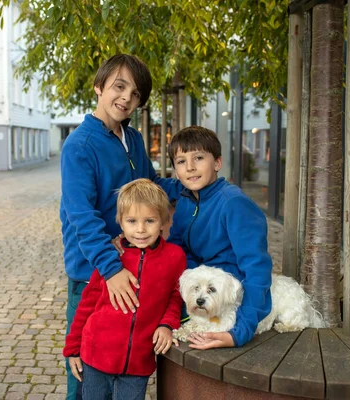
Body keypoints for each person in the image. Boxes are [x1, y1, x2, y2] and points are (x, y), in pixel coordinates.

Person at [59, 54, 182, 399]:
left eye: (136, 93)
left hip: (131, 269)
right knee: (84, 376)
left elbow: (151, 187)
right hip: (94, 275)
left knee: (124, 363)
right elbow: (81, 218)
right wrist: (111, 270)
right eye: (119, 86)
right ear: (99, 87)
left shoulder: (134, 139)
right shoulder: (80, 146)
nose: (127, 97)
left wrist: (188, 184)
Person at [63, 178, 186, 400]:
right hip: (95, 356)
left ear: (163, 222)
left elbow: (175, 297)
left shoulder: (174, 257)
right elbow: (87, 304)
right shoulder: (112, 258)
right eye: (132, 221)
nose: (140, 229)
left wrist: (167, 324)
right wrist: (72, 349)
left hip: (138, 363)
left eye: (149, 220)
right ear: (120, 222)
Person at [166, 125, 273, 350]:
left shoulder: (233, 203)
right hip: (195, 294)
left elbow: (257, 270)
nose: (191, 167)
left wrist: (239, 332)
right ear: (176, 170)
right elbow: (173, 251)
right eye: (181, 161)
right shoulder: (186, 200)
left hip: (228, 303)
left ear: (217, 163)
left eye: (199, 158)